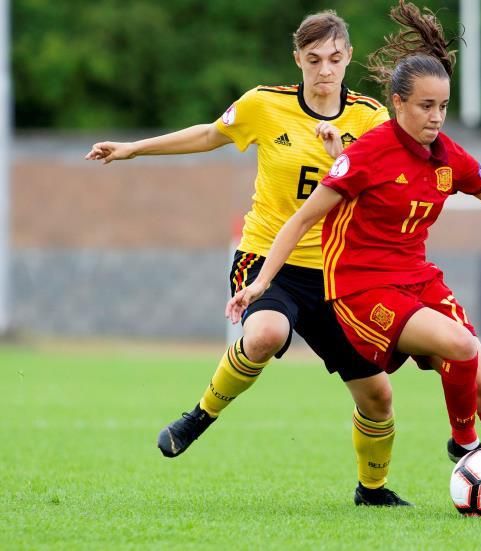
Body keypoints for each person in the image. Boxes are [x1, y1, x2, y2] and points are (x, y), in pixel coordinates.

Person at [226, 0, 481, 517]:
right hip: (362, 290)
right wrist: (259, 283)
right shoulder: (366, 153)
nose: (435, 117)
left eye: (443, 106)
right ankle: (464, 445)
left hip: (416, 280)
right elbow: (299, 221)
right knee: (461, 345)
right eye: (425, 106)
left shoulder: (446, 155)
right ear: (397, 104)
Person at [85, 11, 412, 507]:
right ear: (298, 60)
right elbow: (209, 134)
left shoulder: (369, 119)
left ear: (348, 58)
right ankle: (200, 416)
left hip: (337, 273)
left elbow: (382, 188)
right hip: (266, 259)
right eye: (314, 59)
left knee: (378, 397)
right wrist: (134, 149)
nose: (325, 69)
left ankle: (372, 491)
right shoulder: (265, 105)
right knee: (265, 333)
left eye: (335, 58)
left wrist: (338, 153)